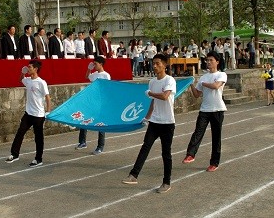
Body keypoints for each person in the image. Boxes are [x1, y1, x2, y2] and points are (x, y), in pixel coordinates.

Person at [122, 54, 176, 194]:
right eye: (154, 63)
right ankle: (134, 175)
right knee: (145, 147)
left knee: (166, 153)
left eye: (158, 63)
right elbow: (153, 101)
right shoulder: (152, 82)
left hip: (167, 123)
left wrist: (151, 93)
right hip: (155, 121)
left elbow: (164, 96)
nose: (155, 66)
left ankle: (166, 182)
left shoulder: (169, 80)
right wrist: (147, 117)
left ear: (165, 65)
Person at [183, 51, 227, 173]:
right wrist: (191, 84)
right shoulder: (203, 77)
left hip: (217, 109)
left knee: (216, 137)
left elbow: (216, 86)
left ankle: (214, 163)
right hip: (205, 109)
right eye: (207, 60)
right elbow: (197, 95)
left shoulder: (221, 75)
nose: (208, 62)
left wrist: (202, 83)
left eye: (211, 60)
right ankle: (190, 154)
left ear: (217, 62)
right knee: (198, 132)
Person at [5, 60, 51, 167]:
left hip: (38, 115)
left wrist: (48, 111)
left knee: (38, 138)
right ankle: (14, 154)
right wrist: (22, 72)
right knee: (20, 132)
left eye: (29, 67)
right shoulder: (28, 80)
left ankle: (38, 159)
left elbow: (47, 98)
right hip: (28, 114)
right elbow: (20, 79)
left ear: (35, 69)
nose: (28, 68)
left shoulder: (41, 82)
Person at [76, 56, 111, 154]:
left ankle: (100, 146)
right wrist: (89, 69)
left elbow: (107, 89)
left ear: (101, 64)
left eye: (95, 64)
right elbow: (87, 77)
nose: (94, 65)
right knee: (84, 120)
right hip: (92, 101)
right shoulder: (95, 74)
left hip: (101, 102)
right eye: (93, 63)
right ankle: (82, 142)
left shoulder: (106, 75)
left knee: (100, 124)